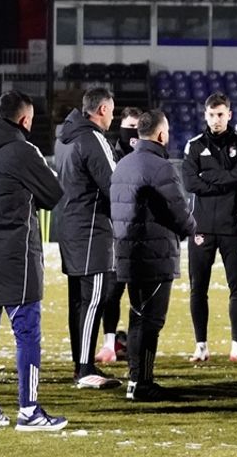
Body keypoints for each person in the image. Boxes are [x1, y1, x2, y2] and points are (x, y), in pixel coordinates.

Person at [0, 90, 67, 431]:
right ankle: (29, 410)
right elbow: (53, 194)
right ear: (24, 119)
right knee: (27, 336)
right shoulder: (23, 150)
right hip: (16, 259)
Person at [110, 109, 199, 400]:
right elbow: (178, 211)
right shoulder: (161, 167)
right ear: (161, 134)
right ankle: (142, 383)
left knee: (137, 316)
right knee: (150, 321)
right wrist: (190, 229)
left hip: (128, 252)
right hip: (154, 253)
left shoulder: (123, 164)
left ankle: (135, 381)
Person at [53, 87, 124, 389]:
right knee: (94, 300)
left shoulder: (64, 138)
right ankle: (84, 368)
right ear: (103, 110)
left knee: (79, 302)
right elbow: (115, 185)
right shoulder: (93, 139)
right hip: (92, 231)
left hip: (70, 228)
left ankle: (80, 363)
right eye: (112, 111)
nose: (113, 117)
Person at [182, 93, 237, 363]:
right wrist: (224, 180)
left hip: (232, 227)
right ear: (205, 115)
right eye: (212, 115)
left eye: (221, 114)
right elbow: (190, 183)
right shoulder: (194, 145)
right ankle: (201, 346)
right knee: (198, 288)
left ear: (229, 115)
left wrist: (208, 177)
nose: (216, 120)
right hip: (201, 228)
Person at [97, 106, 144, 364]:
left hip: (142, 237)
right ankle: (109, 344)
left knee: (139, 294)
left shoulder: (149, 156)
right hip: (116, 234)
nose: (133, 134)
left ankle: (136, 344)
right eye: (129, 127)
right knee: (112, 292)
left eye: (138, 127)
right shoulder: (110, 156)